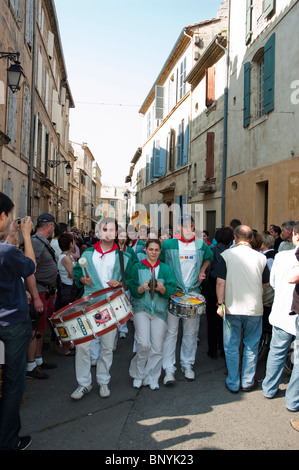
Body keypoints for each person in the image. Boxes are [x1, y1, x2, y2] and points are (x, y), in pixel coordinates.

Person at [71, 217, 132, 400]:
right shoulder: (88, 253)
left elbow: (130, 279)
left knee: (106, 346)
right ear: (98, 232)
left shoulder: (124, 256)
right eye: (104, 229)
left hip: (110, 306)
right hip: (88, 305)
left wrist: (120, 282)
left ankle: (103, 381)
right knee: (82, 346)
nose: (108, 232)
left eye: (111, 229)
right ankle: (84, 384)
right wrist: (82, 279)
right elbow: (76, 272)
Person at [214, 225, 269, 393]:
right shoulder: (261, 258)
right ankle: (247, 381)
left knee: (231, 345)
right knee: (251, 345)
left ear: (235, 238)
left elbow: (220, 282)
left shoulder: (226, 255)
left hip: (232, 307)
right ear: (251, 238)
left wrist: (220, 304)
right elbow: (266, 283)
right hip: (254, 308)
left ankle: (232, 382)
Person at [0, 193, 36, 450]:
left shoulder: (5, 249)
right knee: (13, 383)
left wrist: (10, 238)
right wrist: (25, 235)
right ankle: (8, 441)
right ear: (2, 215)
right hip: (13, 323)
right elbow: (29, 267)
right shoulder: (7, 251)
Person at [160, 215, 213, 384]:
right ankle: (169, 368)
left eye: (192, 226)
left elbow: (208, 257)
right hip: (173, 294)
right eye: (186, 226)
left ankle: (187, 364)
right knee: (171, 333)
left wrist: (202, 271)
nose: (189, 229)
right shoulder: (168, 245)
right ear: (179, 228)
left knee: (191, 332)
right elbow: (159, 263)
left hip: (193, 294)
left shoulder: (200, 244)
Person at [127, 239, 177, 390]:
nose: (153, 252)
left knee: (157, 346)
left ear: (160, 251)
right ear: (146, 250)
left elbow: (171, 288)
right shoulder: (137, 267)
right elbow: (133, 288)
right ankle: (138, 374)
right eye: (151, 249)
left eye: (156, 250)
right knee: (143, 344)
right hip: (141, 309)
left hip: (160, 311)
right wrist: (141, 289)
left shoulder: (166, 269)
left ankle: (152, 377)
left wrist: (162, 289)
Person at [262, 222, 299, 412]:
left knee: (277, 351)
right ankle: (293, 401)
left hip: (283, 311)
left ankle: (269, 388)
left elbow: (274, 283)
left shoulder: (282, 257)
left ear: (295, 236)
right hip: (289, 313)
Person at [26, 213, 58, 379]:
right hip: (39, 291)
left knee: (41, 327)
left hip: (46, 291)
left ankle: (38, 360)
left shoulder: (41, 242)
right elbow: (30, 269)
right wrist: (36, 297)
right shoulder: (36, 243)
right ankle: (30, 365)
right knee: (35, 329)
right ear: (49, 226)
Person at [204, 227, 233, 359]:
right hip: (227, 289)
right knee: (225, 320)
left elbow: (207, 271)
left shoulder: (211, 251)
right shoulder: (232, 253)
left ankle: (212, 350)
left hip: (211, 289)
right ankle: (223, 347)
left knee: (211, 321)